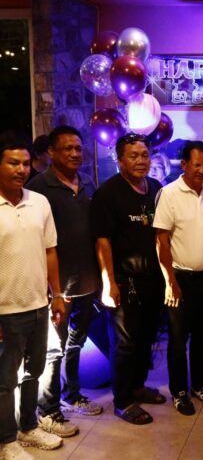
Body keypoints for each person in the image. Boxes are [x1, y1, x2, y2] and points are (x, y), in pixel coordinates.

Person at [27, 126, 103, 440]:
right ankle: (48, 410)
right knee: (52, 350)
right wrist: (53, 288)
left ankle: (72, 394)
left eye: (78, 148)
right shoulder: (37, 188)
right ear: (51, 152)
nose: (74, 154)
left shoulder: (86, 183)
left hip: (86, 281)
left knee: (76, 343)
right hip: (56, 287)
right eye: (67, 148)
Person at [90, 133, 166, 425]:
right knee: (125, 344)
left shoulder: (155, 188)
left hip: (152, 278)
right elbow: (102, 241)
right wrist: (109, 283)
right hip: (124, 279)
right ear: (120, 160)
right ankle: (123, 401)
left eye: (144, 155)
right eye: (133, 156)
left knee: (146, 338)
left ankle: (138, 386)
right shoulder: (108, 193)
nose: (140, 161)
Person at [0, 134, 66, 459]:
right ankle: (5, 441)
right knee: (3, 380)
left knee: (34, 371)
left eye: (26, 163)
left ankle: (28, 427)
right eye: (13, 163)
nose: (21, 169)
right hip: (5, 310)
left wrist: (58, 295)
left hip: (39, 305)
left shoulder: (39, 202)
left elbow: (50, 251)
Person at [154, 140, 203, 416]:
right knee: (178, 339)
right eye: (197, 165)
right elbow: (161, 241)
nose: (202, 170)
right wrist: (170, 281)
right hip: (180, 279)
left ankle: (199, 385)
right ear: (184, 164)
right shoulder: (169, 193)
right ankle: (179, 391)